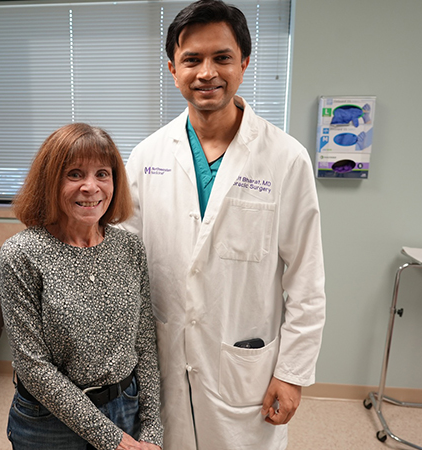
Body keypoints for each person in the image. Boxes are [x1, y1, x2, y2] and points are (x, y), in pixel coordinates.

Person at [120, 1, 326, 449]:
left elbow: (306, 280)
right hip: (162, 362)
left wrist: (291, 375)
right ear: (173, 68)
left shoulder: (285, 158)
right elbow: (124, 266)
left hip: (242, 368)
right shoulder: (146, 157)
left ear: (245, 63)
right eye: (192, 59)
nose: (206, 72)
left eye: (222, 57)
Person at [0, 123, 163, 450]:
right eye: (74, 174)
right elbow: (34, 367)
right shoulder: (22, 254)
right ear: (50, 181)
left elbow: (144, 342)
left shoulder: (129, 248)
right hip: (49, 424)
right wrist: (114, 441)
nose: (91, 187)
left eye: (102, 173)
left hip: (125, 406)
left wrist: (152, 429)